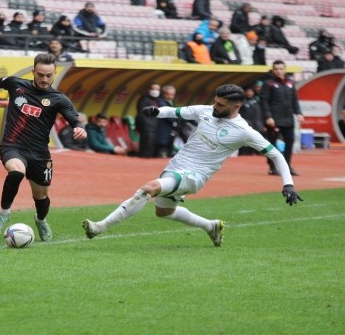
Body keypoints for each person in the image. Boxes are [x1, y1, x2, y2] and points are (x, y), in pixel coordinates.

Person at [82, 84, 303, 246]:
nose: (215, 105)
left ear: (236, 106)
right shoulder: (207, 111)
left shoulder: (244, 131)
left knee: (148, 189)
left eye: (221, 104)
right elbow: (177, 111)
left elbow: (276, 154)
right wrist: (156, 112)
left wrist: (288, 184)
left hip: (195, 175)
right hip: (176, 166)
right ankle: (211, 226)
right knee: (164, 212)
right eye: (215, 101)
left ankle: (99, 227)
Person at [0, 54, 88, 241]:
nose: (44, 79)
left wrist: (79, 128)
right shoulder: (16, 84)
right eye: (40, 74)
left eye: (48, 75)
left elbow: (74, 118)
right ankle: (4, 214)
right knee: (16, 172)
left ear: (54, 74)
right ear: (33, 72)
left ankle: (40, 220)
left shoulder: (59, 99)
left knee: (41, 197)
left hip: (39, 152)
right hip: (13, 145)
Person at [261, 60, 303, 176]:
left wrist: (298, 113)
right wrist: (268, 117)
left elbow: (295, 100)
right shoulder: (268, 83)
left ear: (284, 70)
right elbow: (264, 102)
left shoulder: (290, 83)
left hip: (288, 118)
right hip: (274, 119)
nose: (279, 71)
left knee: (290, 143)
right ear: (273, 70)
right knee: (272, 144)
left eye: (281, 69)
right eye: (276, 69)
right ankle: (272, 167)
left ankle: (287, 166)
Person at [135, 83, 161, 158]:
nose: (155, 91)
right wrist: (140, 125)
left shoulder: (157, 100)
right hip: (146, 126)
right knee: (146, 145)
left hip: (154, 125)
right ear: (148, 90)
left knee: (151, 145)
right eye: (153, 89)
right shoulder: (144, 99)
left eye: (157, 89)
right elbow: (141, 114)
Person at [238, 86, 266, 155]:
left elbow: (260, 114)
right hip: (246, 126)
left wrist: (263, 125)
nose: (249, 93)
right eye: (247, 91)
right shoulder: (241, 102)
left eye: (251, 91)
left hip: (257, 126)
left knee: (258, 143)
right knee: (245, 144)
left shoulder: (257, 101)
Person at [153, 85, 177, 158]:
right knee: (161, 144)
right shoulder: (161, 102)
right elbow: (168, 115)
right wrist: (176, 118)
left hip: (168, 128)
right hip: (162, 127)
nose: (170, 96)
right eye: (168, 94)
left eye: (172, 94)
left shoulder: (171, 102)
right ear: (163, 94)